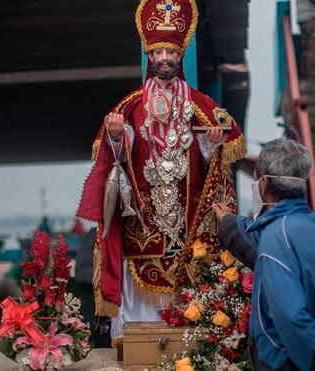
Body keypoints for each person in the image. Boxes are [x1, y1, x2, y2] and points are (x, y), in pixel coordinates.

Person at [76, 0, 246, 340]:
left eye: (171, 52)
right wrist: (114, 136)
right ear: (149, 56)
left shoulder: (201, 105)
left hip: (188, 226)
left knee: (191, 303)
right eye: (158, 52)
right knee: (140, 310)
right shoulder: (131, 106)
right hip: (142, 225)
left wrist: (211, 144)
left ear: (180, 55)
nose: (165, 59)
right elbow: (116, 161)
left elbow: (217, 160)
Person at [213, 138, 315, 370]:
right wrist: (229, 222)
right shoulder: (304, 225)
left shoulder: (275, 235)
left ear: (264, 182)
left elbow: (290, 316)